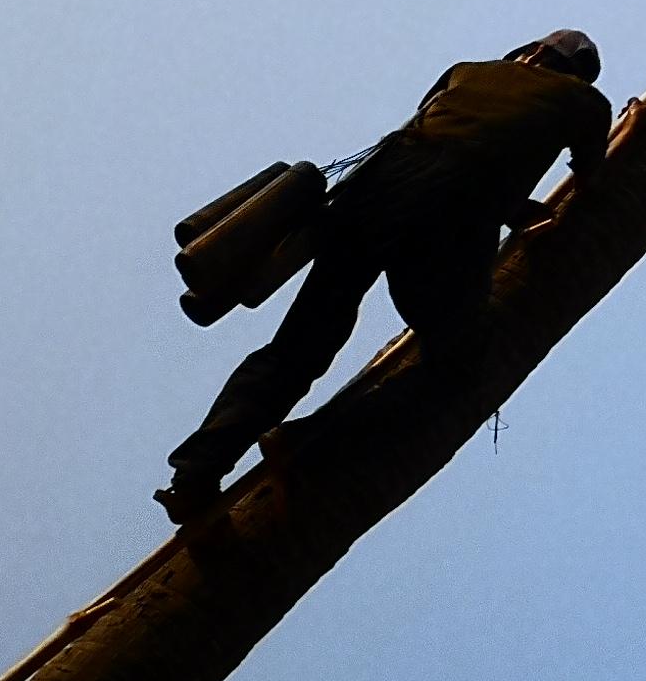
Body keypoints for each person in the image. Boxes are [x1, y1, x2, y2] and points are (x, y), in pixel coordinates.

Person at [161, 29, 613, 524]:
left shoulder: (467, 71)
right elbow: (588, 181)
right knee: (458, 367)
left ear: (533, 53)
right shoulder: (585, 102)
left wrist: (509, 205)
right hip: (451, 215)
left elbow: (450, 138)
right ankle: (307, 445)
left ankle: (194, 475)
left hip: (374, 192)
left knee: (300, 347)